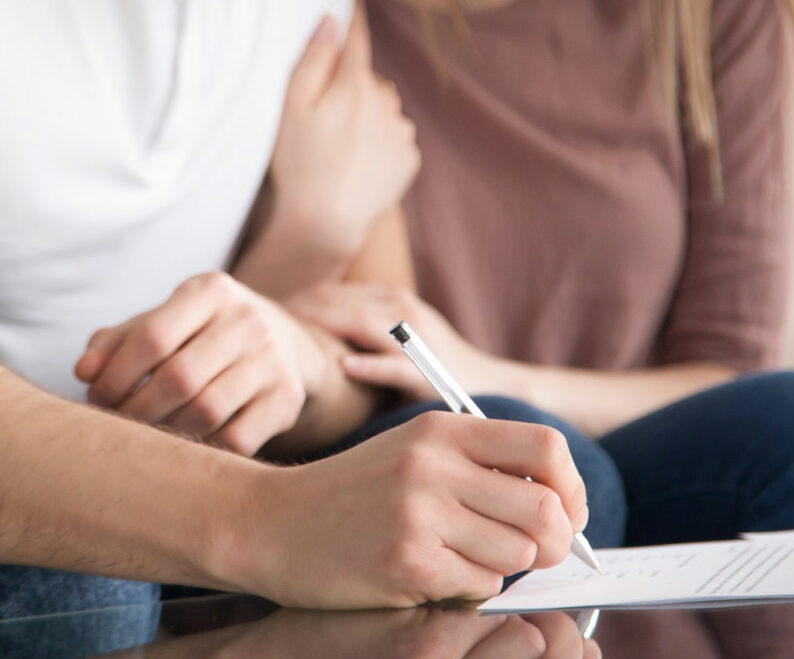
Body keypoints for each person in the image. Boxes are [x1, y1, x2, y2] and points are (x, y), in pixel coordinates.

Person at [284, 0, 794, 553]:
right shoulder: (338, 20)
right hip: (472, 439)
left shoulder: (706, 15)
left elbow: (732, 367)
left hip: (654, 436)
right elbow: (378, 326)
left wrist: (491, 371)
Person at [0, 2, 588, 622]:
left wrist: (301, 354)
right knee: (82, 586)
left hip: (219, 447)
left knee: (525, 487)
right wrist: (264, 518)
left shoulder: (322, 16)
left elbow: (369, 350)